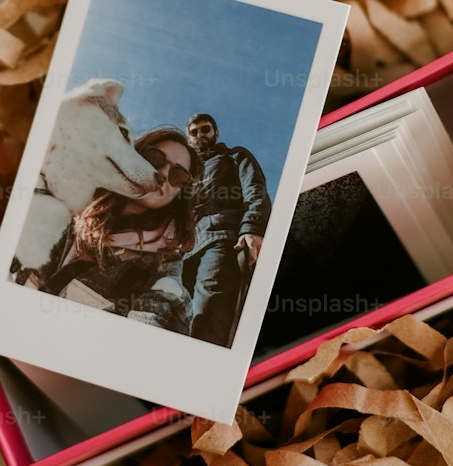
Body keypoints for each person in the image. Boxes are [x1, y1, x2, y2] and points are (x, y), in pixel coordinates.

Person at [18, 127, 203, 334]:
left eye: (178, 175)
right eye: (154, 157)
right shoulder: (64, 210)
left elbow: (156, 315)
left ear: (180, 194)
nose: (163, 173)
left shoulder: (163, 268)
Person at [184, 113, 271, 348]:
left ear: (215, 133)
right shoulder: (184, 173)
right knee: (178, 314)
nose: (200, 135)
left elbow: (254, 190)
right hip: (182, 251)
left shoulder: (234, 157)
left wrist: (253, 227)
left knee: (208, 308)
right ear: (188, 137)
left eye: (206, 129)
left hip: (221, 239)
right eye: (194, 132)